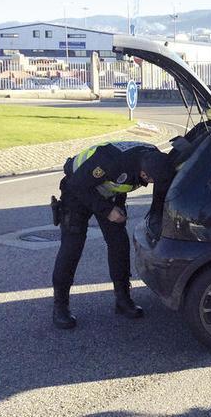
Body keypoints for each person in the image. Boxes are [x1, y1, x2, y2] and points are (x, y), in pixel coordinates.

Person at [52, 141, 174, 330]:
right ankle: (60, 306)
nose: (150, 184)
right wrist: (108, 210)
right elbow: (78, 185)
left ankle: (123, 299)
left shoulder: (154, 159)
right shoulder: (111, 160)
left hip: (108, 195)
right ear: (143, 174)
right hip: (77, 191)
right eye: (149, 180)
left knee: (119, 243)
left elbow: (121, 184)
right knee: (72, 247)